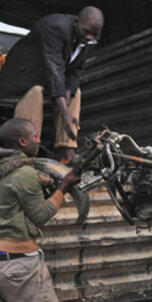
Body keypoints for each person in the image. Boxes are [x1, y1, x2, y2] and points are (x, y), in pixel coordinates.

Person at [0, 7, 104, 163]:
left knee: (77, 92)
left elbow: (75, 71)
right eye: (86, 31)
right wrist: (64, 112)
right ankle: (25, 154)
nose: (90, 37)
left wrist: (67, 100)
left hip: (47, 77)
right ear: (76, 22)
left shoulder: (91, 37)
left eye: (94, 34)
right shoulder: (55, 27)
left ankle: (66, 149)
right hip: (22, 74)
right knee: (34, 92)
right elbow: (54, 67)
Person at [0, 118, 80, 301]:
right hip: (19, 266)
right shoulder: (24, 173)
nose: (38, 140)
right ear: (22, 142)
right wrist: (63, 187)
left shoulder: (4, 168)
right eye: (35, 136)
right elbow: (40, 215)